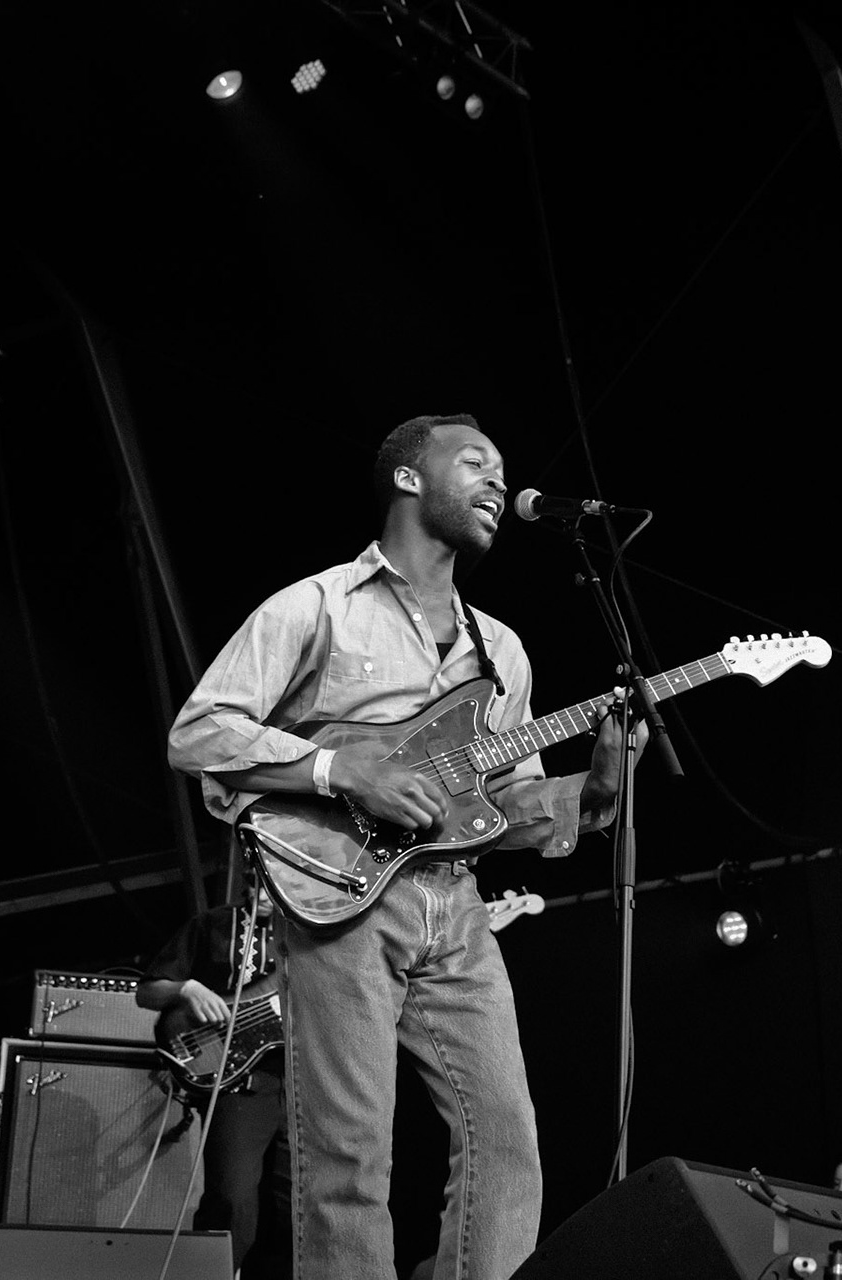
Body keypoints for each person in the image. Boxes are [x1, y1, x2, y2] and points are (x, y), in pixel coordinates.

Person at [167, 413, 645, 1280]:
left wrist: (597, 790)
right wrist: (339, 770)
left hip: (456, 905)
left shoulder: (500, 650)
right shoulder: (318, 606)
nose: (499, 481)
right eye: (476, 463)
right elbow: (199, 733)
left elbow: (503, 809)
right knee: (347, 1156)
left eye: (503, 469)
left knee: (508, 1141)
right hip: (341, 898)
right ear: (409, 478)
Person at [137, 892, 290, 1279]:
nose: (263, 891)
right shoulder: (211, 925)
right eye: (257, 879)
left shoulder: (311, 934)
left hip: (306, 1086)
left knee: (292, 1213)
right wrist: (187, 988)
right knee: (232, 1204)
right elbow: (146, 992)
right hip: (240, 1085)